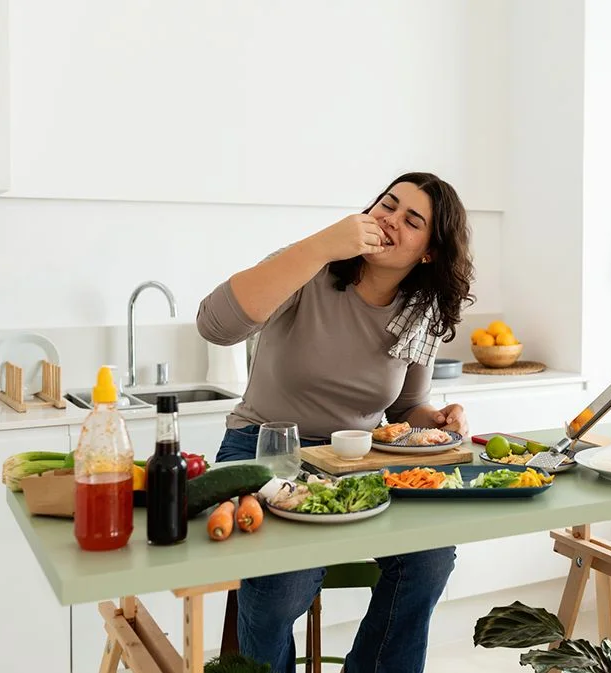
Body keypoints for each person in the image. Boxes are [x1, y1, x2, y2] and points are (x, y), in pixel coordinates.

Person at [196, 172, 475, 672]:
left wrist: (434, 418)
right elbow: (215, 326)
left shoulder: (422, 309)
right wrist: (322, 245)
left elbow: (405, 407)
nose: (390, 219)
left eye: (411, 220)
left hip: (357, 458)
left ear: (428, 252)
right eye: (387, 205)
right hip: (263, 449)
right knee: (285, 582)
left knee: (429, 557)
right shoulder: (308, 268)